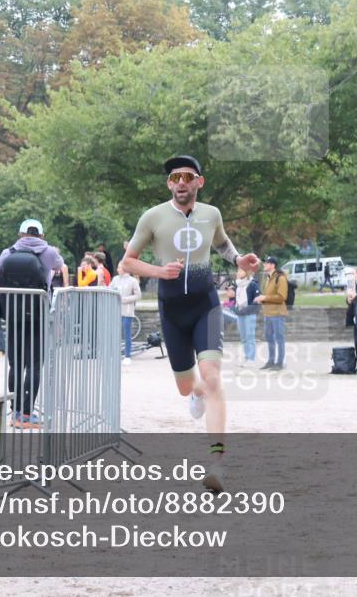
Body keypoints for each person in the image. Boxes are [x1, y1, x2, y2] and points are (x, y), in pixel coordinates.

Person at [119, 155, 259, 492]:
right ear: (169, 184)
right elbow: (127, 262)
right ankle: (194, 394)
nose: (181, 182)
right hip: (172, 309)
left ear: (199, 182)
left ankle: (218, 464)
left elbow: (222, 243)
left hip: (204, 306)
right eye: (175, 177)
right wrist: (159, 271)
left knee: (213, 378)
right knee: (187, 386)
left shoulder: (211, 214)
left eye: (188, 176)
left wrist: (239, 259)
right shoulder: (153, 217)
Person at [0, 219, 68, 429]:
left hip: (13, 313)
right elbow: (59, 266)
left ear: (20, 235)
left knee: (16, 364)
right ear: (42, 236)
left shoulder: (7, 253)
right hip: (38, 312)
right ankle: (27, 413)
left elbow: (0, 271)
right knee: (35, 363)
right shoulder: (50, 252)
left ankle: (15, 410)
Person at [256, 256, 289, 371]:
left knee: (279, 338)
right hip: (268, 313)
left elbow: (282, 297)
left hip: (278, 313)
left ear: (272, 265)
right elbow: (269, 295)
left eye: (266, 263)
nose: (264, 264)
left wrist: (265, 297)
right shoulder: (268, 278)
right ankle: (271, 361)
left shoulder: (280, 278)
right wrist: (262, 299)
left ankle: (279, 363)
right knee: (269, 337)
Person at [110, 268, 142, 365]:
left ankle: (127, 356)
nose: (117, 269)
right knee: (116, 333)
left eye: (119, 267)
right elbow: (109, 289)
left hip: (127, 311)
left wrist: (124, 299)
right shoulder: (115, 279)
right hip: (116, 309)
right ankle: (116, 354)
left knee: (127, 333)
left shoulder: (133, 281)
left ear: (124, 269)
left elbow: (138, 295)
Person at [232, 267, 260, 364]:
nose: (238, 272)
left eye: (240, 270)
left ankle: (251, 359)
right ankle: (246, 356)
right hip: (240, 314)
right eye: (238, 270)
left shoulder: (253, 284)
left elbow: (256, 300)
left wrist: (246, 309)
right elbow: (235, 300)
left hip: (249, 314)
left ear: (246, 271)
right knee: (243, 337)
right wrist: (236, 309)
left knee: (249, 336)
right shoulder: (238, 284)